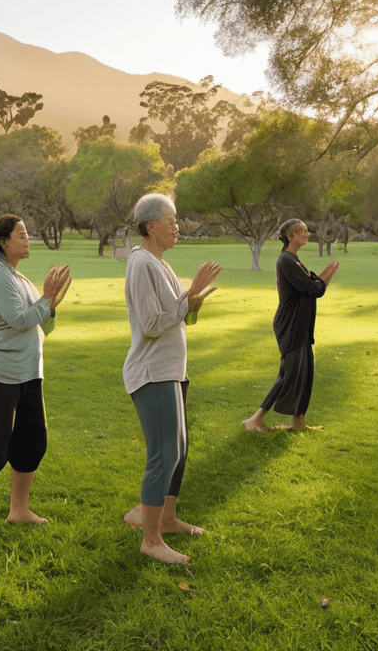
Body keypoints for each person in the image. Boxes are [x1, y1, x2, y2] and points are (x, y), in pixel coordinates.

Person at [0, 214, 72, 537]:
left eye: (27, 234)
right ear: (4, 243)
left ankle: (18, 511)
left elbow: (43, 326)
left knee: (32, 445)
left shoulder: (21, 279)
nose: (28, 239)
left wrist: (52, 304)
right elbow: (20, 320)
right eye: (21, 235)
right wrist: (45, 300)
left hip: (28, 374)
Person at [121, 194, 222, 565]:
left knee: (177, 450)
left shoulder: (160, 263)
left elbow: (176, 316)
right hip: (152, 373)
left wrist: (191, 302)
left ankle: (167, 519)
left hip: (171, 371)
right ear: (150, 226)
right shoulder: (141, 263)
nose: (177, 226)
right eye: (171, 220)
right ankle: (150, 539)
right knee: (164, 453)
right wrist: (190, 294)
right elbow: (150, 324)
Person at [242, 219, 339, 433]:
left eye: (307, 229)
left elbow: (315, 289)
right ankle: (255, 420)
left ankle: (298, 424)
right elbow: (311, 288)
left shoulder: (294, 259)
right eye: (302, 230)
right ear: (290, 236)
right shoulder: (285, 260)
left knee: (305, 372)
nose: (307, 233)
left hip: (301, 325)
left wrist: (321, 280)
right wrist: (325, 277)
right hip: (290, 324)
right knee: (289, 373)